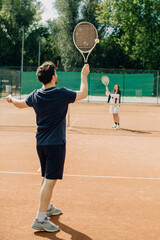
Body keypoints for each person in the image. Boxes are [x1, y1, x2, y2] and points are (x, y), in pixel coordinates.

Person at [6, 61, 90, 232]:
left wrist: (11, 99)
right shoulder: (61, 93)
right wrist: (83, 76)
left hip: (41, 143)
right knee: (50, 181)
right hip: (56, 144)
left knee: (46, 177)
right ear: (53, 76)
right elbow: (83, 93)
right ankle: (40, 218)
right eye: (56, 72)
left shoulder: (36, 95)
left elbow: (20, 103)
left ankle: (48, 207)